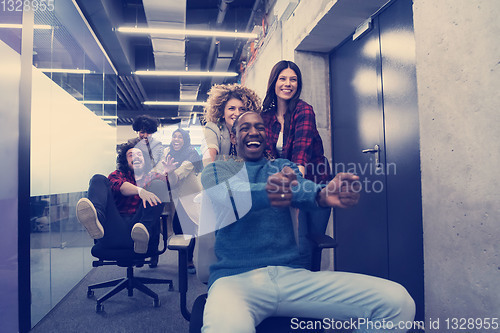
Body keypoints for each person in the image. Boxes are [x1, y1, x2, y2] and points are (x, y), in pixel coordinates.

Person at [200, 111, 415, 333]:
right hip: (234, 281)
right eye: (245, 128)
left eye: (260, 127)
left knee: (398, 303)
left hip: (290, 278)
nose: (253, 131)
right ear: (234, 138)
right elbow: (229, 195)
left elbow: (301, 189)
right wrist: (271, 191)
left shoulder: (283, 167)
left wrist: (322, 195)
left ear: (267, 136)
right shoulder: (217, 170)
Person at [261, 60, 333, 268]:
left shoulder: (304, 111)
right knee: (290, 243)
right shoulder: (265, 117)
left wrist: (296, 195)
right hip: (285, 185)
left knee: (308, 245)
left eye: (293, 79)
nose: (288, 83)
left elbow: (300, 157)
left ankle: (308, 293)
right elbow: (267, 160)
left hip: (315, 184)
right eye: (282, 78)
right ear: (274, 82)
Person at [76, 141, 175, 254]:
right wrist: (140, 191)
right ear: (125, 161)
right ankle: (96, 220)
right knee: (98, 178)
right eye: (131, 155)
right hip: (114, 227)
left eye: (139, 155)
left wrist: (170, 173)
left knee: (159, 184)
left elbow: (170, 184)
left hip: (140, 226)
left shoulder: (152, 177)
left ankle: (143, 233)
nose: (136, 157)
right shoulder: (117, 175)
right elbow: (119, 186)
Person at [161, 128, 203, 273]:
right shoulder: (168, 152)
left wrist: (170, 172)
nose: (176, 139)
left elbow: (177, 177)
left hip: (190, 196)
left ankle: (189, 260)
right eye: (174, 136)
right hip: (175, 196)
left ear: (185, 140)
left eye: (180, 137)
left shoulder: (191, 154)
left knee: (187, 227)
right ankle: (183, 256)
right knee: (177, 227)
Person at [201, 83, 262, 165]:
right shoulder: (213, 128)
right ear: (222, 112)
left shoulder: (252, 132)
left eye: (242, 109)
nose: (237, 113)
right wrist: (211, 171)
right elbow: (209, 154)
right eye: (231, 108)